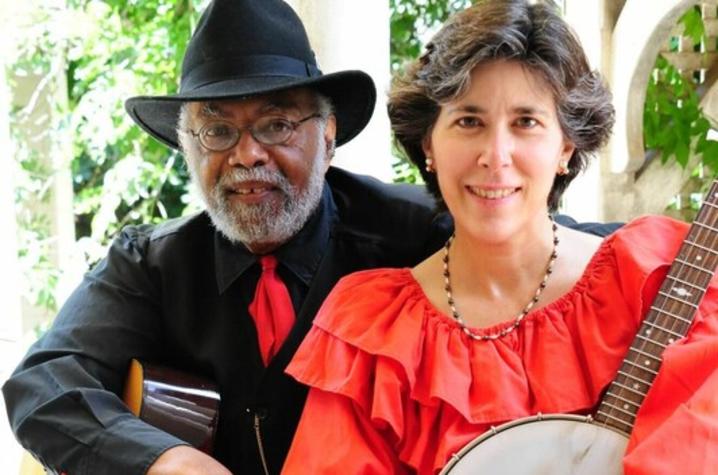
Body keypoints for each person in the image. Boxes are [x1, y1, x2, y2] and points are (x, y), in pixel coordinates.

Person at [3, 1, 617, 474]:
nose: (247, 155)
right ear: (188, 149)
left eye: (276, 123)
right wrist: (165, 459)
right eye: (216, 131)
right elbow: (43, 384)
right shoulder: (149, 262)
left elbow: (542, 240)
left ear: (328, 136)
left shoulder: (419, 231)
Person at [281, 1, 718, 474]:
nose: (496, 155)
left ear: (565, 146)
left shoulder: (657, 280)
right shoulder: (370, 334)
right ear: (429, 144)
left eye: (526, 122)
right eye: (469, 121)